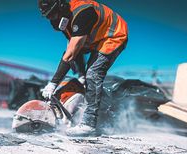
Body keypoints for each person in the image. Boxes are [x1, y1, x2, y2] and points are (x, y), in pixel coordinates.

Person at [38, 0, 128, 136]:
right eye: (48, 16)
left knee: (93, 74)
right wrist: (80, 76)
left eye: (52, 15)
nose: (51, 19)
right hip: (95, 38)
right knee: (84, 74)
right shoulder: (60, 19)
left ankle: (88, 124)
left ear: (61, 6)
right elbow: (74, 48)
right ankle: (93, 111)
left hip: (113, 35)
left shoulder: (83, 13)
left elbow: (71, 54)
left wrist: (53, 83)